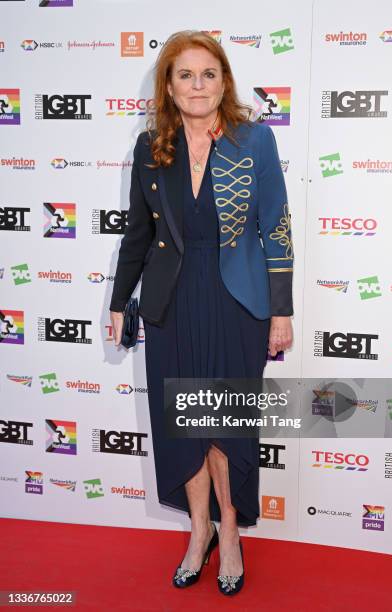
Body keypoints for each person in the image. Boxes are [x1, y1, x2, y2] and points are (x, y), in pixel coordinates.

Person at [109, 30, 294, 596]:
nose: (197, 84)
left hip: (236, 301)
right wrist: (119, 302)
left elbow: (276, 228)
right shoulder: (150, 148)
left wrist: (281, 311)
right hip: (171, 302)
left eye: (208, 74)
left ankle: (231, 532)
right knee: (184, 425)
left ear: (223, 82)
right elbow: (138, 235)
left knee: (225, 428)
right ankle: (199, 531)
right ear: (169, 84)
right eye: (185, 74)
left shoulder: (254, 140)